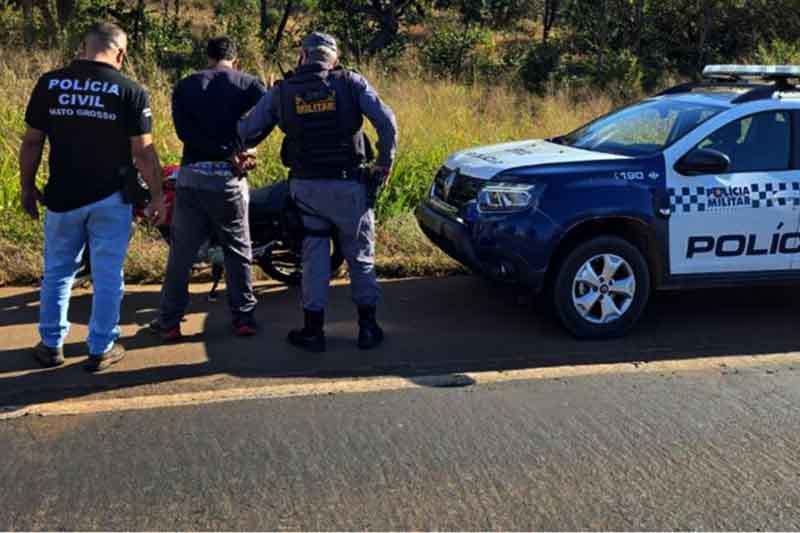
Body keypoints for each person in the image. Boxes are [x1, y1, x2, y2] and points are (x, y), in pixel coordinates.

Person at [238, 31, 398, 353]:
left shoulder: (282, 91)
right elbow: (387, 123)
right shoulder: (351, 82)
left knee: (313, 258)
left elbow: (248, 131)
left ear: (303, 56)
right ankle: (368, 329)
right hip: (350, 187)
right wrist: (384, 164)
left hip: (307, 190)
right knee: (360, 257)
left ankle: (313, 331)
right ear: (334, 58)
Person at [19, 22, 164, 372]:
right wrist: (158, 196)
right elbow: (143, 153)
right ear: (120, 54)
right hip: (111, 198)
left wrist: (27, 186)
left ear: (83, 48)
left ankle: (51, 344)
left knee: (58, 271)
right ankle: (101, 347)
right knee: (108, 274)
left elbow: (32, 141)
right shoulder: (130, 90)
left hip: (62, 196)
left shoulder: (50, 83)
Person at [149, 36, 267, 341]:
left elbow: (184, 133)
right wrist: (243, 147)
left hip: (192, 177)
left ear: (208, 58)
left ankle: (170, 321)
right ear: (235, 60)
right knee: (238, 250)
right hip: (229, 180)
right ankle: (243, 318)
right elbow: (269, 115)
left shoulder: (186, 85)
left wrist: (222, 150)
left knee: (181, 254)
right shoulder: (249, 84)